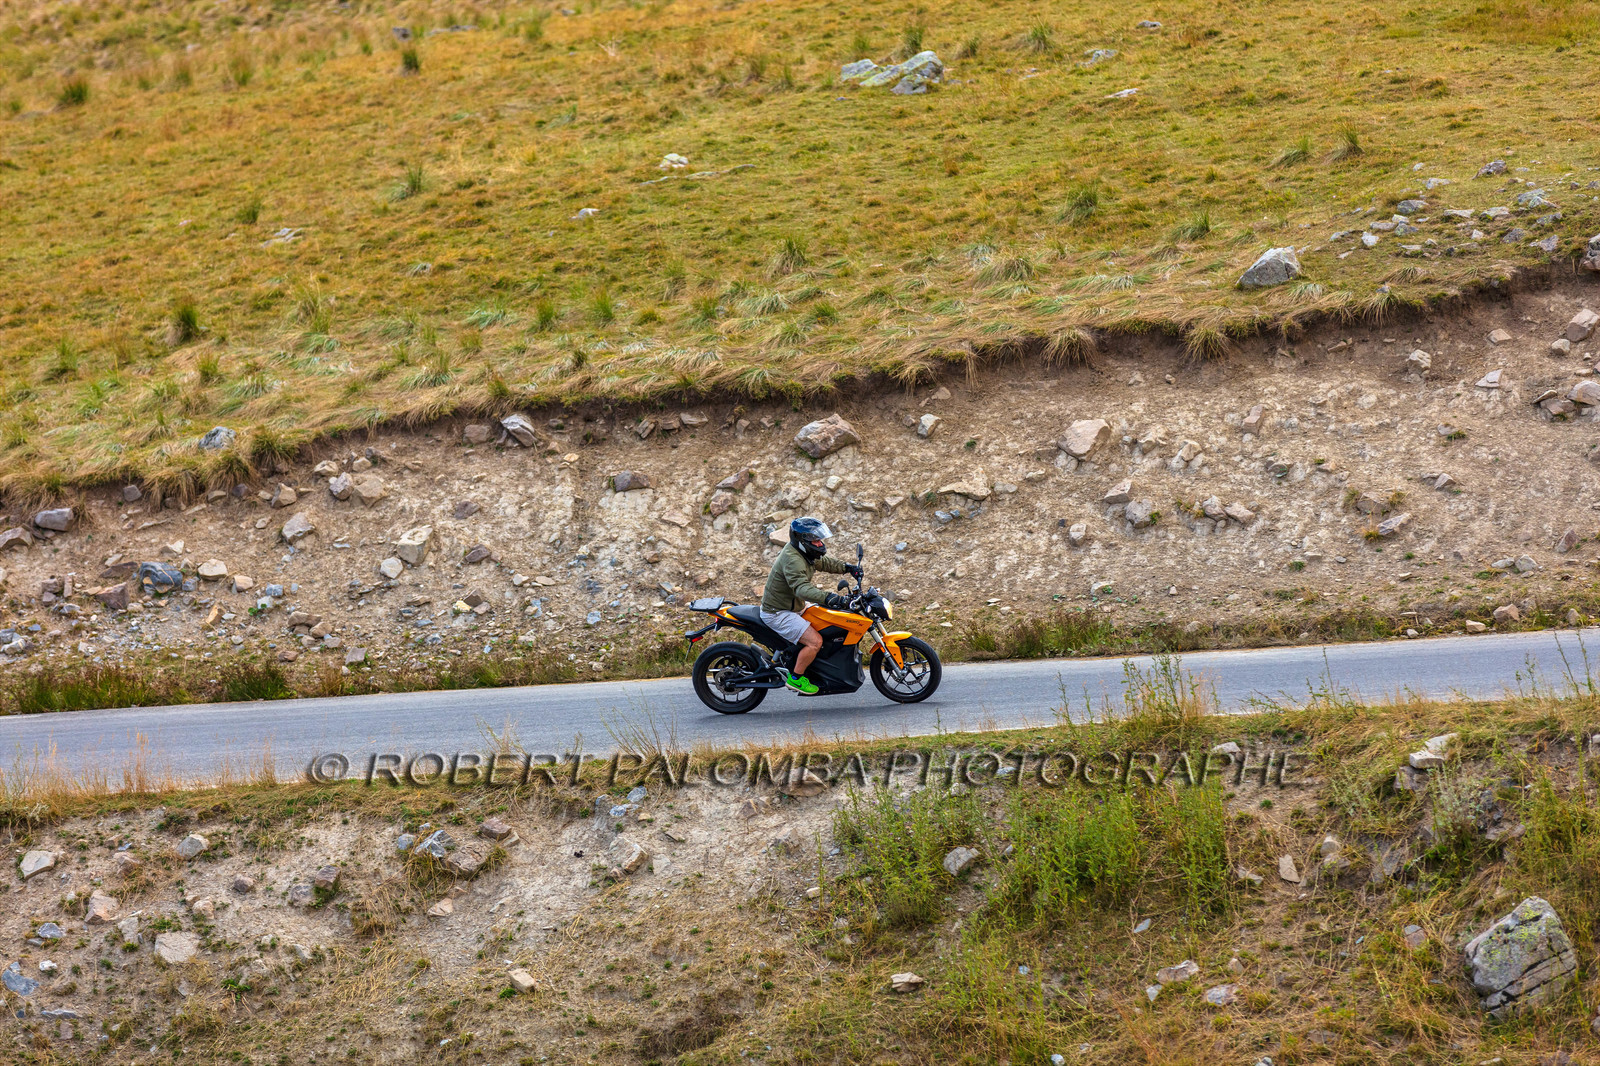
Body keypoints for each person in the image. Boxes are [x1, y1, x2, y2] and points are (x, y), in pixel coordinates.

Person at [760, 517, 862, 694]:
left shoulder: (805, 553)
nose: (819, 543)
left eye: (819, 539)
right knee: (815, 642)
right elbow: (801, 588)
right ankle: (796, 678)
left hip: (794, 606)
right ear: (802, 541)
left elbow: (824, 562)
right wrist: (829, 597)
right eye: (815, 540)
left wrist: (848, 567)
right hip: (779, 612)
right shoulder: (793, 559)